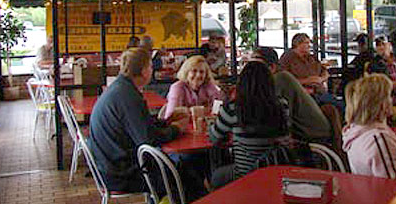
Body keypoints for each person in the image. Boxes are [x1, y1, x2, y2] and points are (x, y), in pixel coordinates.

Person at [88, 47, 187, 193]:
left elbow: (139, 124)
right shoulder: (128, 97)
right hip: (121, 175)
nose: (152, 71)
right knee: (186, 174)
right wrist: (177, 129)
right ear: (144, 70)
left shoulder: (120, 89)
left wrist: (166, 121)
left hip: (108, 166)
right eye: (151, 66)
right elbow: (148, 139)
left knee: (180, 166)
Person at [208, 61, 290, 188]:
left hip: (244, 173)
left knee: (215, 176)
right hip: (275, 170)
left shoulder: (233, 108)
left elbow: (214, 137)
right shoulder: (281, 105)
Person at [252, 47, 331, 143]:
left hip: (311, 134)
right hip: (308, 131)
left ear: (271, 67)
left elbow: (283, 117)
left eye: (257, 66)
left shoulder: (280, 79)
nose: (252, 70)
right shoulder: (277, 78)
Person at [162, 55, 221, 119]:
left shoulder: (209, 86)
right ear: (186, 72)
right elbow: (171, 115)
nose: (198, 75)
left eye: (202, 72)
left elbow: (218, 109)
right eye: (194, 71)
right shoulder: (177, 87)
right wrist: (196, 111)